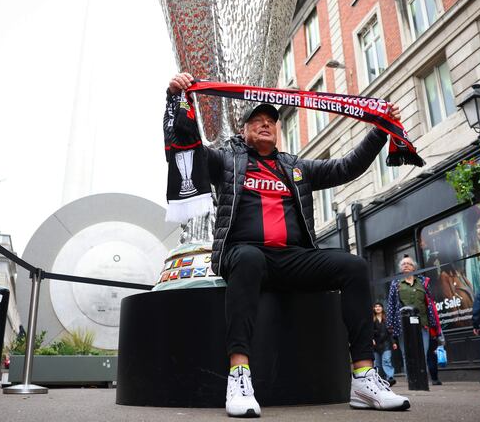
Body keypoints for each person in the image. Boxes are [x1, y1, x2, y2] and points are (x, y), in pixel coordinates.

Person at [166, 72, 410, 417]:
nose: (266, 125)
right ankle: (239, 376)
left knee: (354, 265)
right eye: (257, 121)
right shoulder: (227, 161)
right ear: (244, 131)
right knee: (249, 258)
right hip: (244, 256)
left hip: (293, 259)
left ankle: (363, 377)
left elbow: (346, 167)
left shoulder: (295, 167)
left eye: (271, 121)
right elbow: (189, 147)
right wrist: (179, 99)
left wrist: (379, 131)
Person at [386, 255, 443, 381]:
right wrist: (390, 325)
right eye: (403, 264)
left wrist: (433, 323)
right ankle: (411, 379)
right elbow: (391, 304)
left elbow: (429, 303)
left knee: (422, 353)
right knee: (407, 353)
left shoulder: (423, 282)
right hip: (402, 324)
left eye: (409, 264)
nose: (406, 265)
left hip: (423, 323)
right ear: (401, 268)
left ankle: (422, 379)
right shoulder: (396, 283)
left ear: (414, 268)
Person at [372, 302, 396, 385]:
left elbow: (390, 332)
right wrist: (371, 339)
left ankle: (390, 378)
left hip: (386, 343)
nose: (377, 308)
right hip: (375, 345)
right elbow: (369, 331)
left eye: (379, 306)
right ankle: (380, 379)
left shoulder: (387, 319)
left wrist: (393, 342)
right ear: (374, 309)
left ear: (382, 308)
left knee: (386, 361)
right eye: (376, 306)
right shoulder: (371, 319)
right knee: (377, 364)